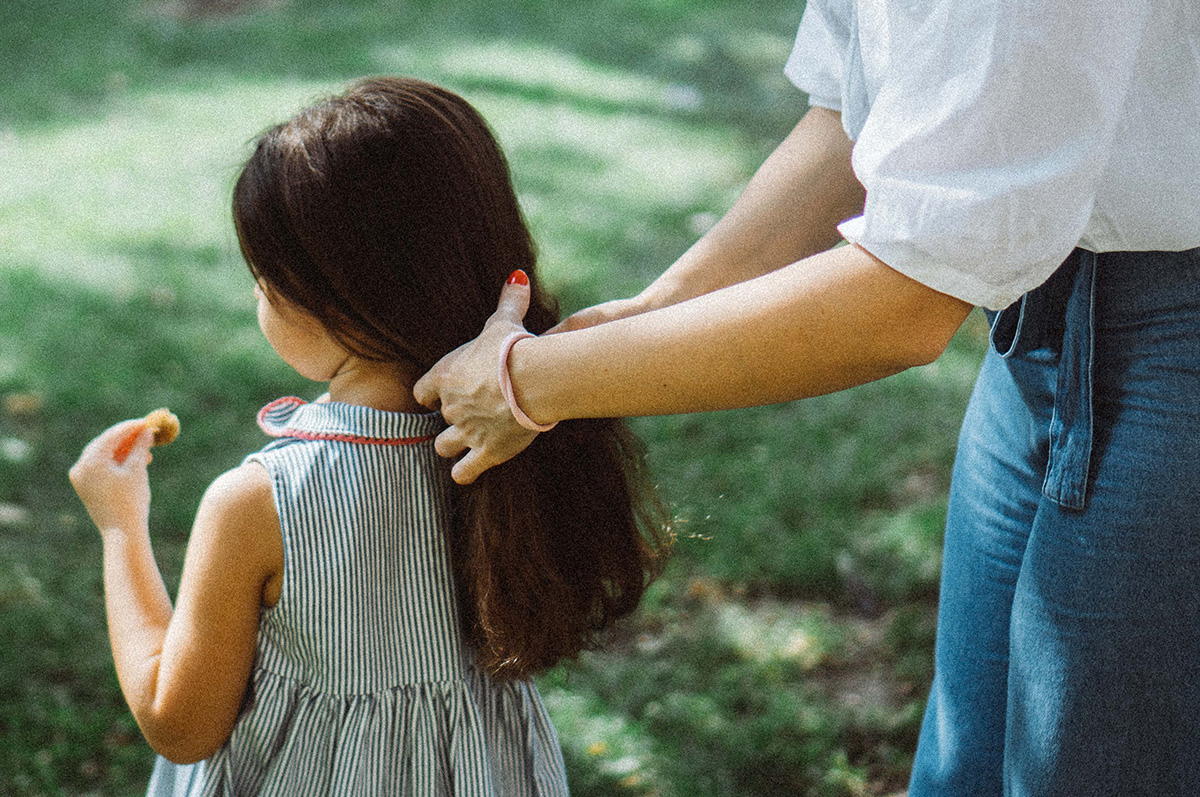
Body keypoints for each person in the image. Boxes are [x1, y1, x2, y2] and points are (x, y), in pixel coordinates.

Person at [414, 1, 1200, 794]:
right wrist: (659, 305)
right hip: (1038, 327)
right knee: (963, 771)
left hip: (1175, 339)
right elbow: (864, 112)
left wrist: (533, 384)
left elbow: (906, 303)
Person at [68, 76, 670, 796]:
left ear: (328, 300)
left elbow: (181, 722)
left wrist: (119, 526)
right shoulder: (538, 433)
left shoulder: (261, 502)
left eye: (262, 279)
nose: (255, 296)